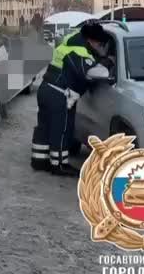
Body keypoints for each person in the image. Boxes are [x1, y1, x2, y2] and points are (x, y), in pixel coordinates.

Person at [31, 21, 112, 177]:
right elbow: (90, 72)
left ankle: (39, 160)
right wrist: (106, 62)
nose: (100, 47)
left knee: (44, 127)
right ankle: (60, 164)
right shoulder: (80, 52)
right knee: (61, 129)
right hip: (59, 94)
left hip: (46, 89)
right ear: (91, 41)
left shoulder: (69, 43)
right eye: (99, 44)